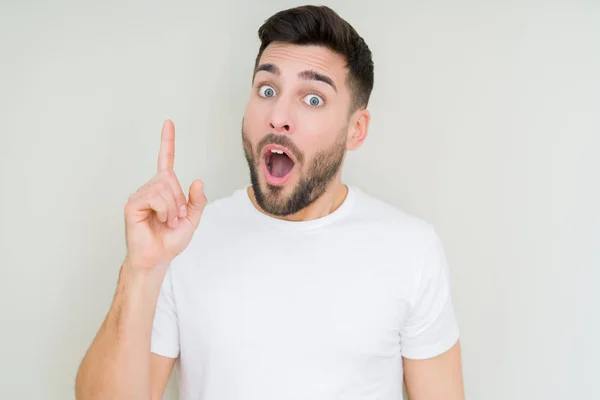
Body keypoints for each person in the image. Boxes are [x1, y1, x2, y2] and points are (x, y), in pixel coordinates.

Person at [75, 5, 464, 400]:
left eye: (313, 99)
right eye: (267, 90)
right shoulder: (183, 241)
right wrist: (141, 271)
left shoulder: (411, 250)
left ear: (356, 129)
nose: (278, 116)